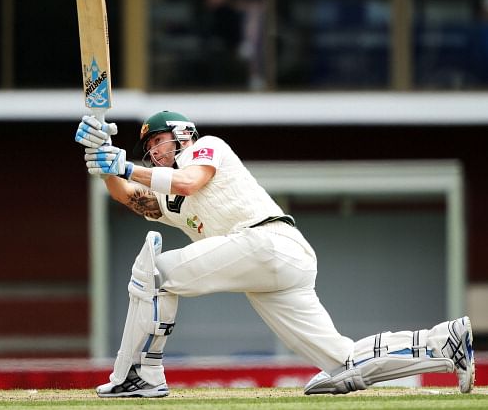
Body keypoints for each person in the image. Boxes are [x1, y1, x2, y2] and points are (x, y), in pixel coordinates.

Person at [74, 111, 475, 398]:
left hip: (268, 242)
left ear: (181, 135)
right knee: (343, 363)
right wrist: (104, 160)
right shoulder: (164, 190)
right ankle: (445, 344)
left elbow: (189, 182)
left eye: (157, 141)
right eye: (147, 147)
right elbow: (130, 196)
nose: (153, 151)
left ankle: (143, 374)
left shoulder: (206, 148)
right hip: (272, 267)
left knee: (155, 272)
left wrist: (125, 166)